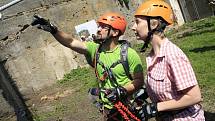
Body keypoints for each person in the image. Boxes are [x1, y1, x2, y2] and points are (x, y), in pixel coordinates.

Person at [31, 12, 144, 120]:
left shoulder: (129, 54)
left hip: (128, 106)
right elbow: (70, 42)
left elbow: (139, 80)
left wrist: (121, 91)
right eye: (99, 26)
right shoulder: (94, 49)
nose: (98, 29)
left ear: (115, 33)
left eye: (103, 27)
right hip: (108, 109)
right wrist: (53, 30)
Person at [131, 0, 205, 121]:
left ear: (153, 24)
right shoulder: (152, 56)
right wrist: (146, 92)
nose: (133, 27)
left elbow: (194, 96)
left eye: (137, 22)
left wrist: (155, 108)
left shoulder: (172, 55)